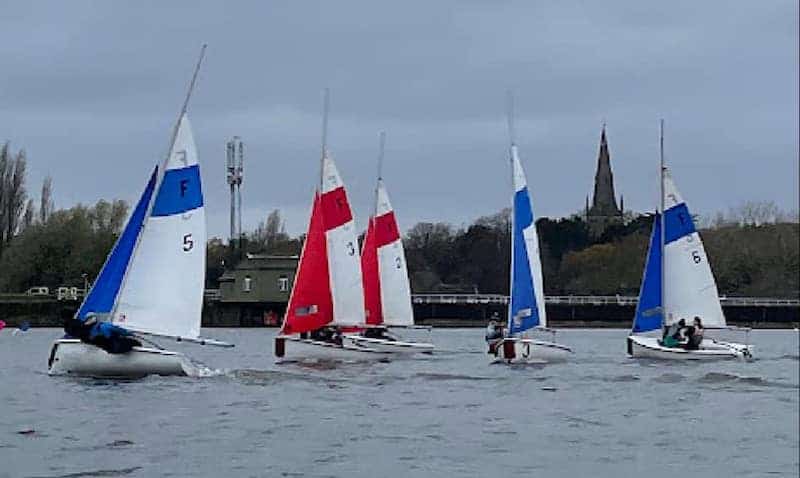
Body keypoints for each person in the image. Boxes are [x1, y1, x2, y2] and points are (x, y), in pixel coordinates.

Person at [63, 311, 141, 354]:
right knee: (135, 343)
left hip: (103, 346)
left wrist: (130, 334)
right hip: (111, 346)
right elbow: (121, 331)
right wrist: (131, 334)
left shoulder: (85, 328)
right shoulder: (104, 326)